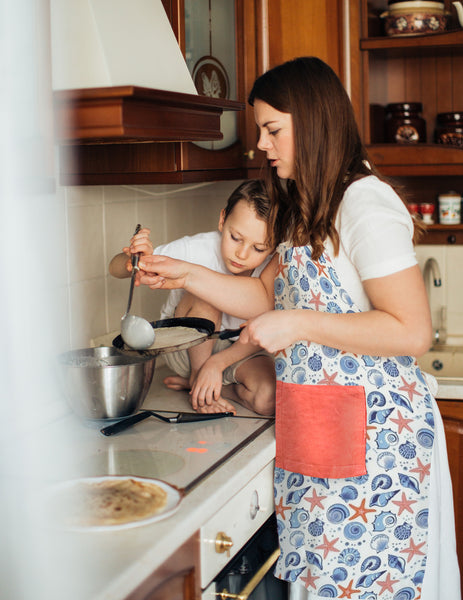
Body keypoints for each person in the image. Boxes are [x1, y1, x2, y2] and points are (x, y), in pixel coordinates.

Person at [134, 57, 460, 599]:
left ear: (312, 121)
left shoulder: (365, 203)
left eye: (272, 129)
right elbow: (264, 297)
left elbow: (410, 331)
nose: (261, 144)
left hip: (379, 444)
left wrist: (297, 323)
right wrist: (185, 272)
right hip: (318, 426)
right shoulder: (303, 205)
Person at [110, 179, 276, 416]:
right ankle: (199, 376)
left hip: (240, 350)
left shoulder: (273, 269)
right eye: (235, 238)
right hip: (188, 349)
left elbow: (268, 328)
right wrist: (136, 260)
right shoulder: (197, 248)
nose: (242, 253)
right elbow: (114, 268)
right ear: (222, 220)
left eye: (259, 248)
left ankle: (205, 387)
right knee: (207, 295)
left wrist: (217, 365)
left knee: (269, 399)